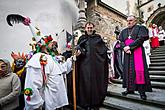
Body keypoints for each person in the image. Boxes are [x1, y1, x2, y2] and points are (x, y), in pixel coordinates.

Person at [24, 35, 76, 110]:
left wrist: (72, 59)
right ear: (44, 45)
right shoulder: (38, 58)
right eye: (50, 42)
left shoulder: (51, 58)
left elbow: (62, 70)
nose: (52, 44)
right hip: (48, 103)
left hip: (56, 102)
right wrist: (35, 105)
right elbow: (32, 84)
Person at [76, 22, 109, 109]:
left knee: (95, 83)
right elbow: (78, 48)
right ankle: (86, 103)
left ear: (93, 28)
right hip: (85, 65)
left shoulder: (98, 38)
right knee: (85, 83)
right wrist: (79, 50)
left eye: (91, 28)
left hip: (96, 65)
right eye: (88, 28)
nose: (90, 29)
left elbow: (103, 50)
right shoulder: (82, 38)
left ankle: (95, 103)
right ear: (85, 29)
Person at [119, 15, 152, 100]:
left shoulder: (141, 28)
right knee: (128, 70)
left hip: (137, 52)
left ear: (135, 21)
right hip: (127, 53)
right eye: (127, 21)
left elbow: (141, 39)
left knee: (139, 71)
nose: (128, 22)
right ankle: (129, 89)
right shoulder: (124, 31)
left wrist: (129, 47)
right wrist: (125, 48)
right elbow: (121, 41)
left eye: (130, 20)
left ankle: (142, 91)